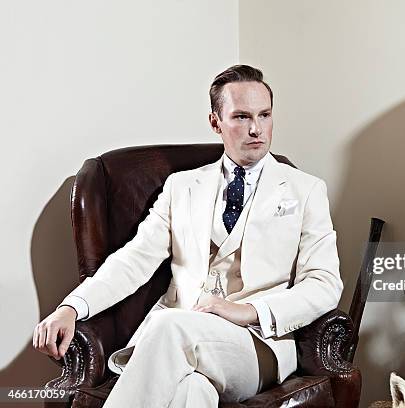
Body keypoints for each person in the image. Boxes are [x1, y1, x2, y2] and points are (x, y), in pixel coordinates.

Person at [33, 65, 343, 407]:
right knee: (192, 392)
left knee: (170, 327)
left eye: (264, 115)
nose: (256, 129)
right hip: (185, 343)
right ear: (215, 122)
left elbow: (325, 283)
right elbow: (134, 259)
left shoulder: (306, 189)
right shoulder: (181, 187)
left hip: (257, 347)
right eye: (241, 117)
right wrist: (72, 307)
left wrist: (251, 310)